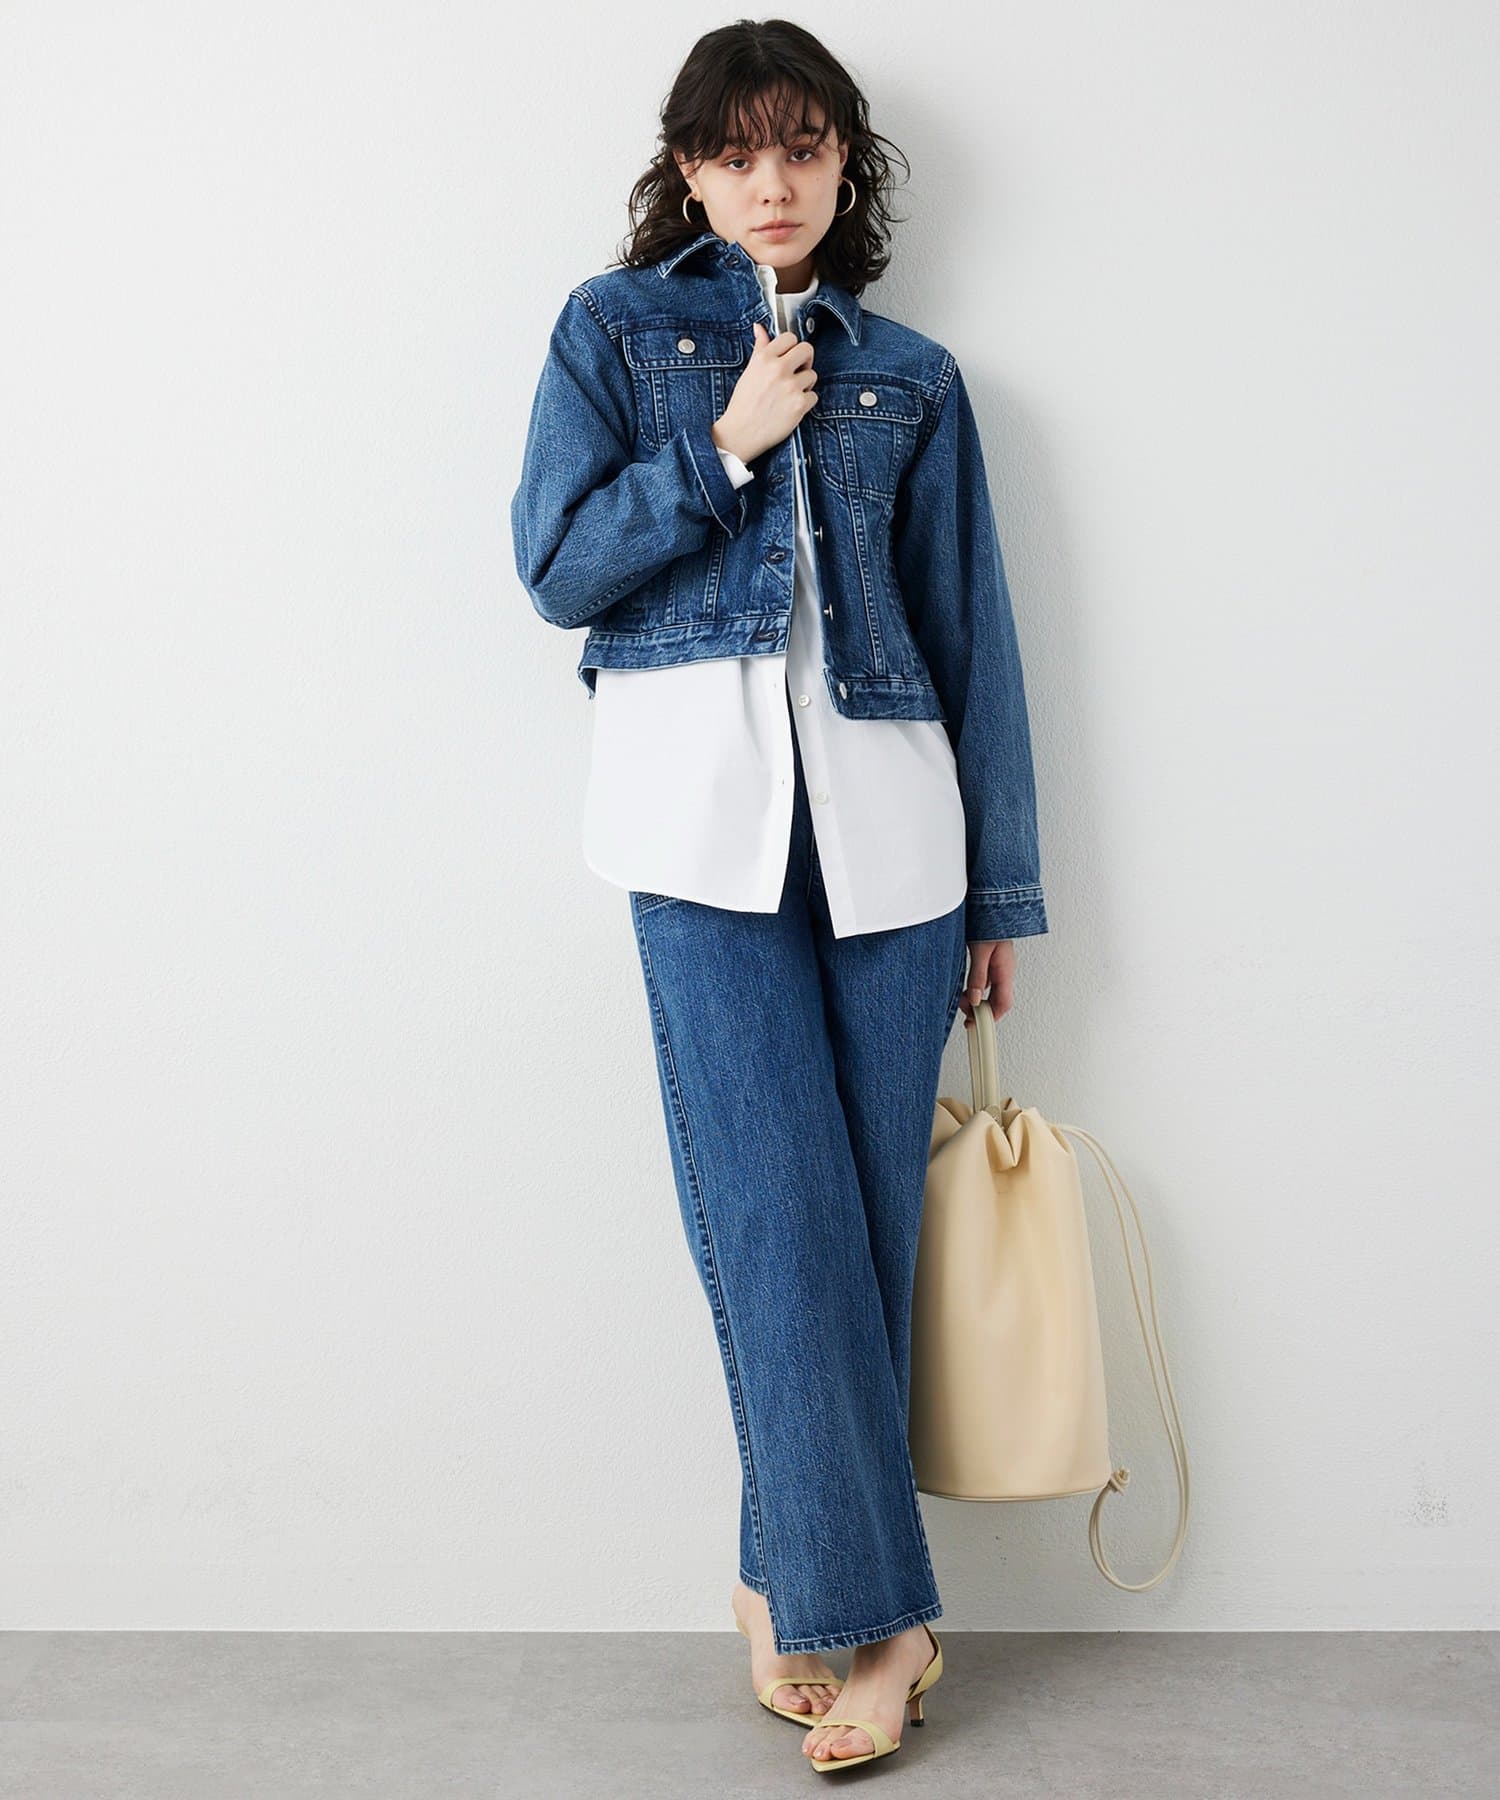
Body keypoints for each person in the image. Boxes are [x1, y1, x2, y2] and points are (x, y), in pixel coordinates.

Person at [510, 19, 1049, 1774]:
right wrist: (722, 447)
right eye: (737, 153)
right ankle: (884, 1629)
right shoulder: (612, 333)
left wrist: (1001, 893)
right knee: (774, 1219)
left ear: (843, 167)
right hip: (696, 841)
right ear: (688, 170)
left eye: (803, 149)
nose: (771, 182)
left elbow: (973, 640)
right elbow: (556, 570)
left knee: (865, 1229)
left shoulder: (917, 376)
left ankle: (779, 1580)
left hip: (898, 846)